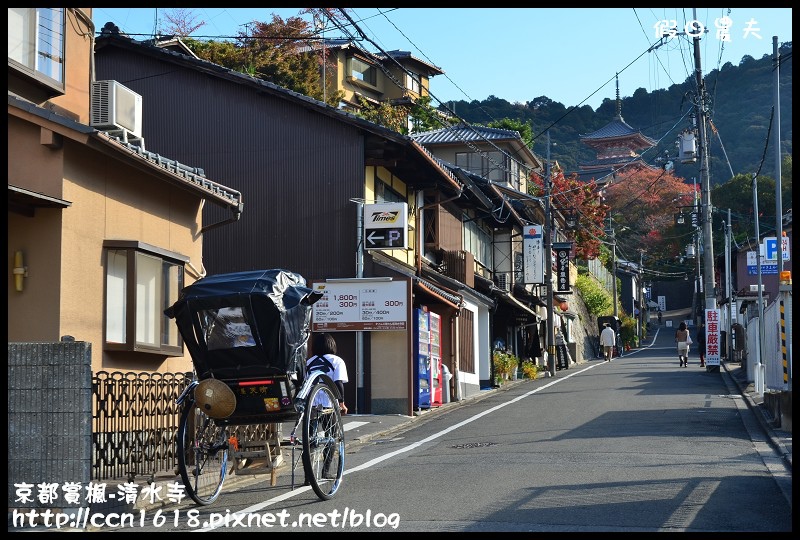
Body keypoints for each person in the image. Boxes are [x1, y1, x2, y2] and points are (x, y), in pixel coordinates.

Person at [306, 332, 349, 415]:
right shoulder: (337, 360)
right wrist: (342, 403)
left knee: (311, 426)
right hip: (329, 402)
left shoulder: (309, 362)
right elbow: (338, 383)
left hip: (311, 401)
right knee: (331, 427)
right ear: (332, 345)